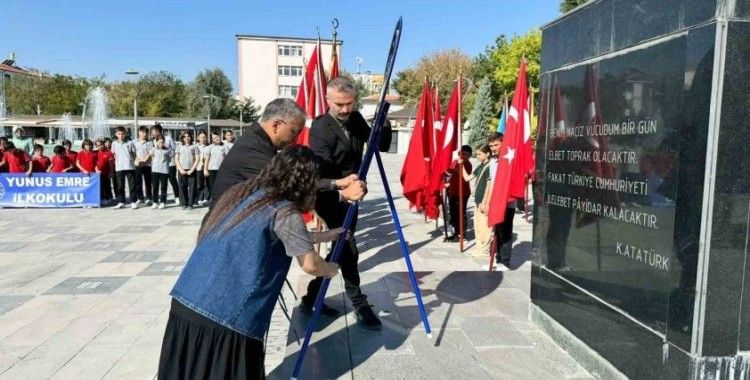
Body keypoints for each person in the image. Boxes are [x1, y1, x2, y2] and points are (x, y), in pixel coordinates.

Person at [159, 145, 341, 379]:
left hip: (187, 302)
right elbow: (310, 264)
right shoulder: (286, 211)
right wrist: (331, 269)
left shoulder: (247, 194)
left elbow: (285, 238)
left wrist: (328, 235)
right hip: (226, 320)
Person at [301, 77, 392, 330]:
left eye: (349, 103)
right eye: (339, 104)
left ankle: (311, 296)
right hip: (329, 194)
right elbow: (320, 170)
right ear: (328, 100)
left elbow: (380, 145)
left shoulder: (355, 119)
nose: (344, 109)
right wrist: (344, 186)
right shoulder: (320, 128)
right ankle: (359, 302)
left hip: (353, 194)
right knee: (348, 246)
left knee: (341, 248)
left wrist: (382, 121)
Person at [209, 98, 366, 207]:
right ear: (276, 125)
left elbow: (291, 178)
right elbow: (292, 188)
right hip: (225, 235)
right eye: (294, 132)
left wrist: (336, 183)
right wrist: (343, 195)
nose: (295, 139)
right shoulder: (252, 150)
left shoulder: (258, 142)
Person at [480, 132, 516, 271]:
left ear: (503, 143)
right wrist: (486, 202)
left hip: (507, 203)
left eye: (496, 145)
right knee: (497, 232)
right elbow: (491, 183)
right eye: (491, 145)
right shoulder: (493, 163)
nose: (493, 148)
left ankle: (505, 262)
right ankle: (498, 259)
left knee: (505, 233)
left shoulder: (509, 160)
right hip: (495, 202)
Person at [457, 145, 492, 257]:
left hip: (483, 201)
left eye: (479, 154)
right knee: (477, 226)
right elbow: (467, 178)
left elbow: (489, 184)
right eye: (476, 154)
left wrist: (485, 201)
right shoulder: (481, 166)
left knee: (485, 228)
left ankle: (485, 250)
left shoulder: (490, 166)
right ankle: (479, 247)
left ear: (487, 154)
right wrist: (461, 165)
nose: (477, 156)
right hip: (477, 200)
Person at [444, 145, 473, 242]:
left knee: (461, 213)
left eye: (467, 155)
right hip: (453, 191)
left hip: (463, 193)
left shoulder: (468, 164)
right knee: (453, 213)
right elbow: (448, 172)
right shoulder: (455, 162)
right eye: (463, 154)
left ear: (470, 156)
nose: (465, 156)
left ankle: (462, 234)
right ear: (459, 153)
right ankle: (455, 232)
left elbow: (464, 174)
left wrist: (456, 167)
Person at [150, 124, 179, 204]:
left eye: (153, 132)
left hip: (170, 164)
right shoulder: (154, 140)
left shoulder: (168, 138)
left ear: (158, 131)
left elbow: (174, 149)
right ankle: (157, 201)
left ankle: (177, 197)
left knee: (173, 180)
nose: (152, 134)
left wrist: (173, 160)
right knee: (159, 184)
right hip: (159, 166)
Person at [111, 126, 139, 209]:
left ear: (125, 134)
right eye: (119, 134)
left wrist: (131, 162)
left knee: (132, 185)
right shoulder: (114, 144)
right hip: (119, 167)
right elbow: (114, 154)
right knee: (120, 186)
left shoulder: (130, 143)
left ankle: (133, 201)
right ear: (116, 134)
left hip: (129, 167)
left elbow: (134, 154)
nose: (121, 136)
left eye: (123, 134)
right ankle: (121, 201)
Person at [175, 131, 200, 210]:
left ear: (191, 137)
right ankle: (183, 203)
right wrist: (180, 169)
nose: (186, 138)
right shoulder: (179, 146)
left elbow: (197, 159)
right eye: (185, 136)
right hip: (182, 170)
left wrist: (192, 169)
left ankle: (190, 204)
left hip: (191, 170)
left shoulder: (194, 146)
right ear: (182, 138)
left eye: (188, 136)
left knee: (192, 187)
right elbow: (176, 159)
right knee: (182, 187)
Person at [203, 131, 228, 203]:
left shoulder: (225, 146)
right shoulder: (210, 147)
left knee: (220, 186)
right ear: (212, 140)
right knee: (212, 186)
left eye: (217, 137)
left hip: (221, 170)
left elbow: (227, 158)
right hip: (211, 170)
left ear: (219, 136)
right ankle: (213, 201)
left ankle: (219, 201)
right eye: (214, 138)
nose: (216, 139)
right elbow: (207, 159)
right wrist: (205, 169)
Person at [148, 136, 172, 209]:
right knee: (155, 186)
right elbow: (151, 156)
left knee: (163, 187)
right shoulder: (153, 149)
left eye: (162, 142)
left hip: (164, 170)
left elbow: (170, 158)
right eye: (159, 142)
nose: (161, 144)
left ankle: (163, 202)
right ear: (157, 142)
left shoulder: (167, 150)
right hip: (155, 170)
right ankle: (155, 202)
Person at [134, 126, 154, 206]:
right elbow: (133, 153)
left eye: (146, 132)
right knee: (138, 182)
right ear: (139, 133)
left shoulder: (150, 143)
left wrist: (145, 160)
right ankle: (140, 198)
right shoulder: (134, 142)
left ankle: (148, 198)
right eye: (143, 132)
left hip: (147, 164)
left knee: (148, 182)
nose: (144, 134)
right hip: (137, 164)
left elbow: (151, 153)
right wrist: (138, 160)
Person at [95, 138, 115, 205]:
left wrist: (111, 172)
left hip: (106, 173)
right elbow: (94, 163)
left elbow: (111, 164)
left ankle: (109, 198)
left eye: (101, 145)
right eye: (98, 145)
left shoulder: (108, 153)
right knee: (100, 186)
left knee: (107, 186)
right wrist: (96, 170)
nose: (100, 146)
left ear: (104, 144)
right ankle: (102, 198)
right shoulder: (96, 153)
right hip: (98, 174)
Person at [194, 130, 210, 206]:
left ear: (206, 138)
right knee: (199, 183)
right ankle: (200, 198)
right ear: (198, 138)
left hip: (207, 167)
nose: (203, 139)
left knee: (207, 183)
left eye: (204, 137)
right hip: (199, 167)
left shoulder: (209, 146)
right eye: (201, 137)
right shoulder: (196, 146)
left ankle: (206, 198)